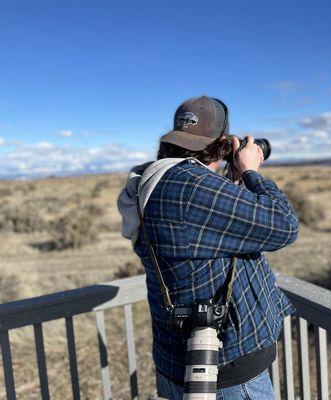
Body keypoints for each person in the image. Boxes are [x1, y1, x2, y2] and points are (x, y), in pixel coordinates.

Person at [117, 96, 299, 399]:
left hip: (180, 357)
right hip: (227, 372)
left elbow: (209, 230)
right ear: (222, 144)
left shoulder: (154, 180)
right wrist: (252, 171)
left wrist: (233, 179)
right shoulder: (190, 184)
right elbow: (284, 225)